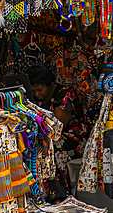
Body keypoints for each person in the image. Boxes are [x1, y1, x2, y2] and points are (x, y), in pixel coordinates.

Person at [28, 64, 89, 201]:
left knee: (53, 147)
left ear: (50, 84)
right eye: (34, 91)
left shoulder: (64, 95)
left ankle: (60, 194)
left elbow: (57, 128)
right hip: (52, 136)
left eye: (40, 90)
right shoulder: (37, 99)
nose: (37, 94)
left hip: (74, 138)